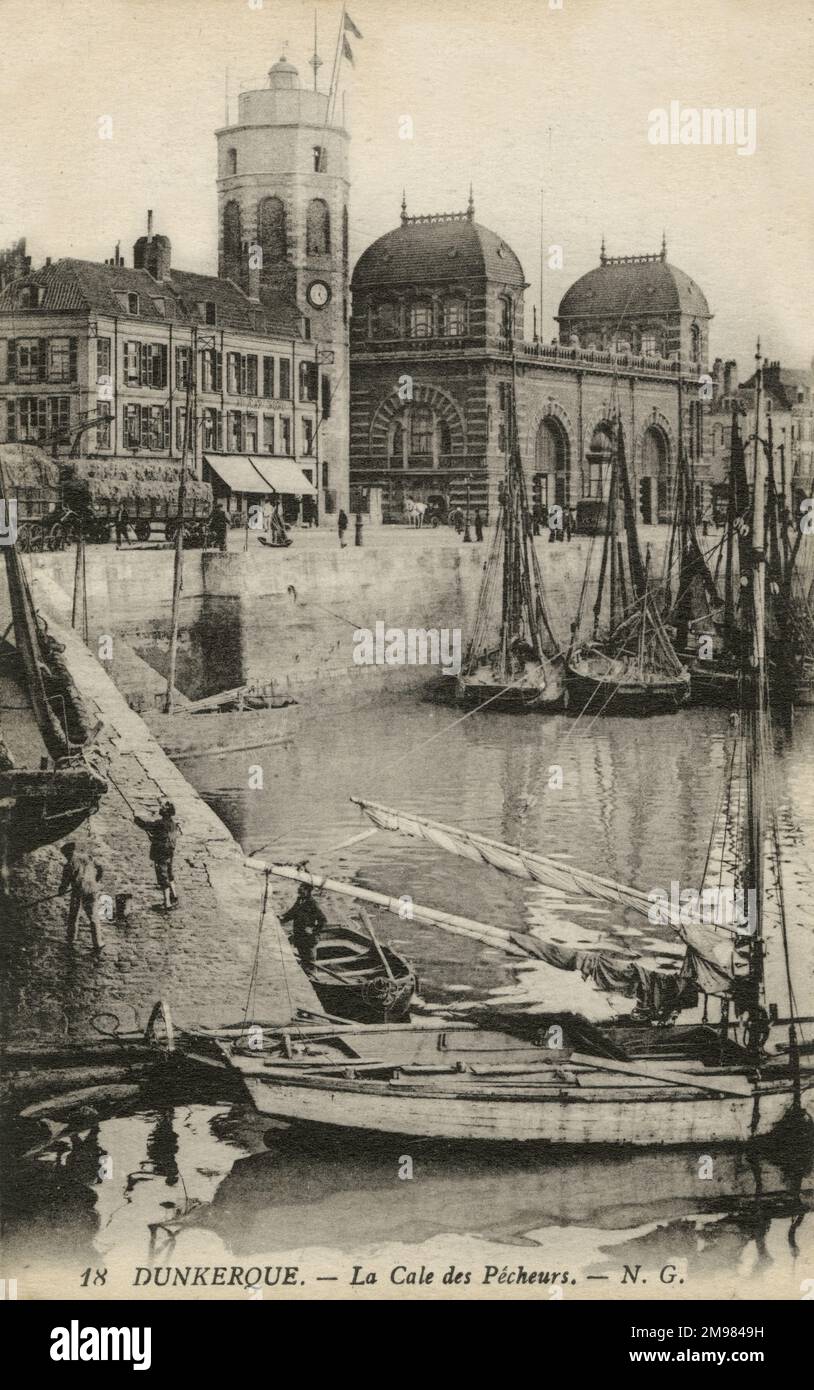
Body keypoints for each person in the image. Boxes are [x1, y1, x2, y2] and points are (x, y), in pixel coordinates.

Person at [134, 801, 179, 912]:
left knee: (162, 876)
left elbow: (146, 826)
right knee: (169, 873)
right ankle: (174, 895)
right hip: (169, 851)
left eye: (163, 807)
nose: (160, 808)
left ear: (166, 812)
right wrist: (154, 838)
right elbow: (162, 835)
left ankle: (167, 903)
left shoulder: (160, 823)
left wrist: (137, 819)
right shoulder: (172, 823)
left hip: (161, 853)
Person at [59, 842, 104, 951]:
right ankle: (98, 943)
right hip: (92, 889)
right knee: (93, 917)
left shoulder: (68, 866)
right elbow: (101, 868)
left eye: (65, 855)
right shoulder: (87, 857)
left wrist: (61, 891)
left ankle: (71, 938)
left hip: (78, 891)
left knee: (73, 915)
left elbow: (64, 884)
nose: (65, 857)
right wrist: (95, 880)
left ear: (68, 853)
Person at [280, 883, 327, 966]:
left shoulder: (312, 903)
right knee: (303, 960)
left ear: (307, 890)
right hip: (299, 936)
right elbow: (292, 913)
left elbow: (323, 920)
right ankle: (306, 974)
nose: (299, 889)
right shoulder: (300, 900)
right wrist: (282, 918)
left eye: (302, 888)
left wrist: (313, 930)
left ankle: (311, 977)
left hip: (309, 938)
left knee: (310, 962)